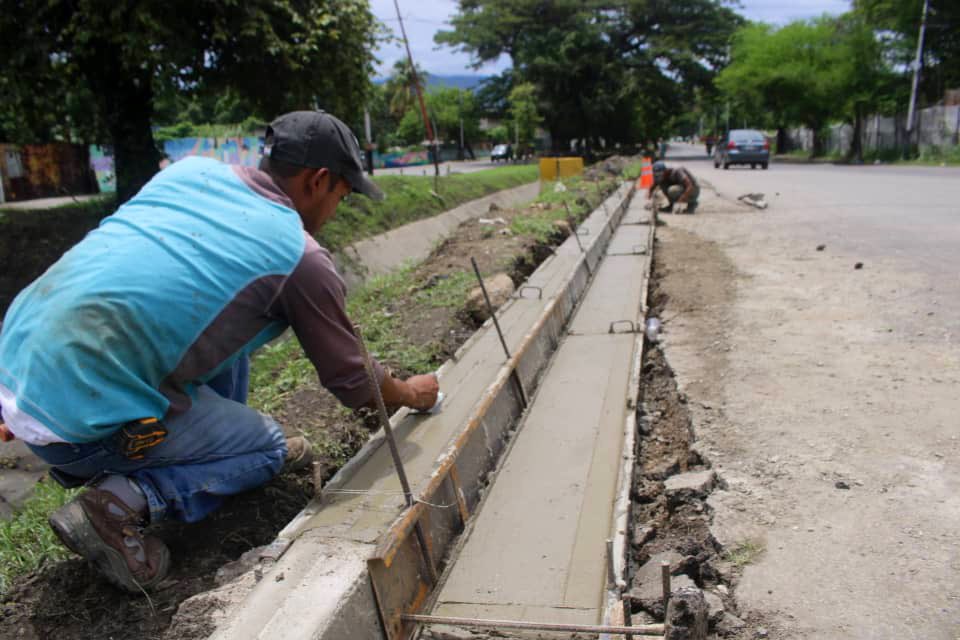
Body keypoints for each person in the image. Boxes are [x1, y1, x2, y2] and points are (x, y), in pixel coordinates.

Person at [0, 110, 440, 593]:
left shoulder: (191, 172)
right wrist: (410, 393)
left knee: (229, 321)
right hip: (80, 421)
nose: (338, 207)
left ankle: (205, 446)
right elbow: (354, 383)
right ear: (319, 180)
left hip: (22, 371)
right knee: (267, 449)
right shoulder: (300, 257)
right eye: (343, 193)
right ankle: (119, 503)